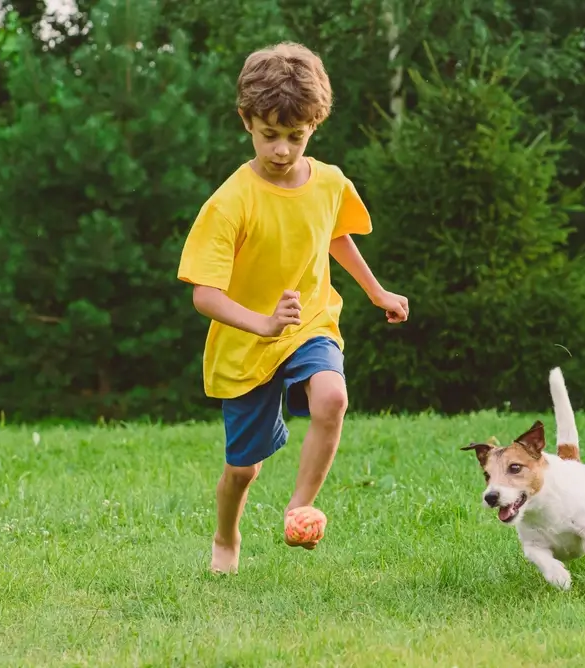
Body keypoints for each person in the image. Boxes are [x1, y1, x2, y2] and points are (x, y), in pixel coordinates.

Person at [177, 41, 409, 575]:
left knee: (332, 397)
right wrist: (261, 322)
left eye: (295, 137)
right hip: (245, 341)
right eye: (270, 135)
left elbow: (337, 234)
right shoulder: (230, 202)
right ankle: (226, 536)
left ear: (315, 126)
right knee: (243, 470)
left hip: (309, 321)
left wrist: (376, 292)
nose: (282, 150)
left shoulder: (328, 181)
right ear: (246, 121)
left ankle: (300, 506)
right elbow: (203, 294)